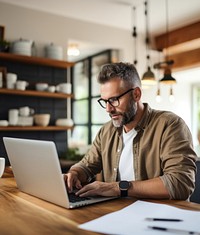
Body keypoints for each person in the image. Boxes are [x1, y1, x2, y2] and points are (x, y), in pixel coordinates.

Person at [64, 62, 197, 200]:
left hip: (160, 216)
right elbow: (86, 166)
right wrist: (74, 173)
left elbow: (181, 183)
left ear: (136, 94)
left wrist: (116, 188)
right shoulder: (107, 131)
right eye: (105, 101)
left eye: (114, 100)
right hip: (117, 213)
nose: (108, 109)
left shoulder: (170, 125)